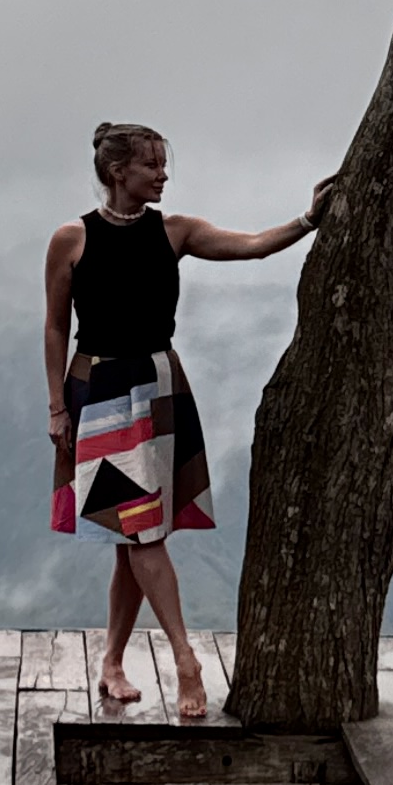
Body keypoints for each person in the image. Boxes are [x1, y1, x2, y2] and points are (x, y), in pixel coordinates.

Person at [47, 121, 338, 719]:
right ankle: (185, 658)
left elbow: (254, 244)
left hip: (157, 387)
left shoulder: (175, 232)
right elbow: (54, 325)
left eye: (163, 163)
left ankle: (111, 663)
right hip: (96, 389)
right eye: (152, 165)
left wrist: (308, 220)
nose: (163, 174)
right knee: (139, 532)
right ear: (117, 171)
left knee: (134, 532)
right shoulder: (72, 240)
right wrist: (56, 406)